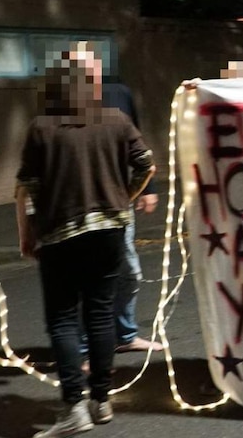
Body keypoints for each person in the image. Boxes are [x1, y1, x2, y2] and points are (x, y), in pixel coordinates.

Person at [16, 46, 156, 438]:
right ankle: (101, 400)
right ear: (91, 85)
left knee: (62, 319)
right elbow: (147, 164)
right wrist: (125, 196)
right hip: (109, 231)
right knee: (99, 314)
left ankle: (74, 407)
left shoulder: (42, 127)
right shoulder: (115, 120)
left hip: (60, 235)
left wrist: (28, 233)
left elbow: (27, 188)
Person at [92, 77, 162, 355]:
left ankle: (125, 334)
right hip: (80, 205)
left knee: (128, 271)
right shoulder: (61, 102)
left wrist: (146, 189)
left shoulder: (119, 93)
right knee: (91, 275)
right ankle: (86, 348)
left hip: (120, 199)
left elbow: (138, 143)